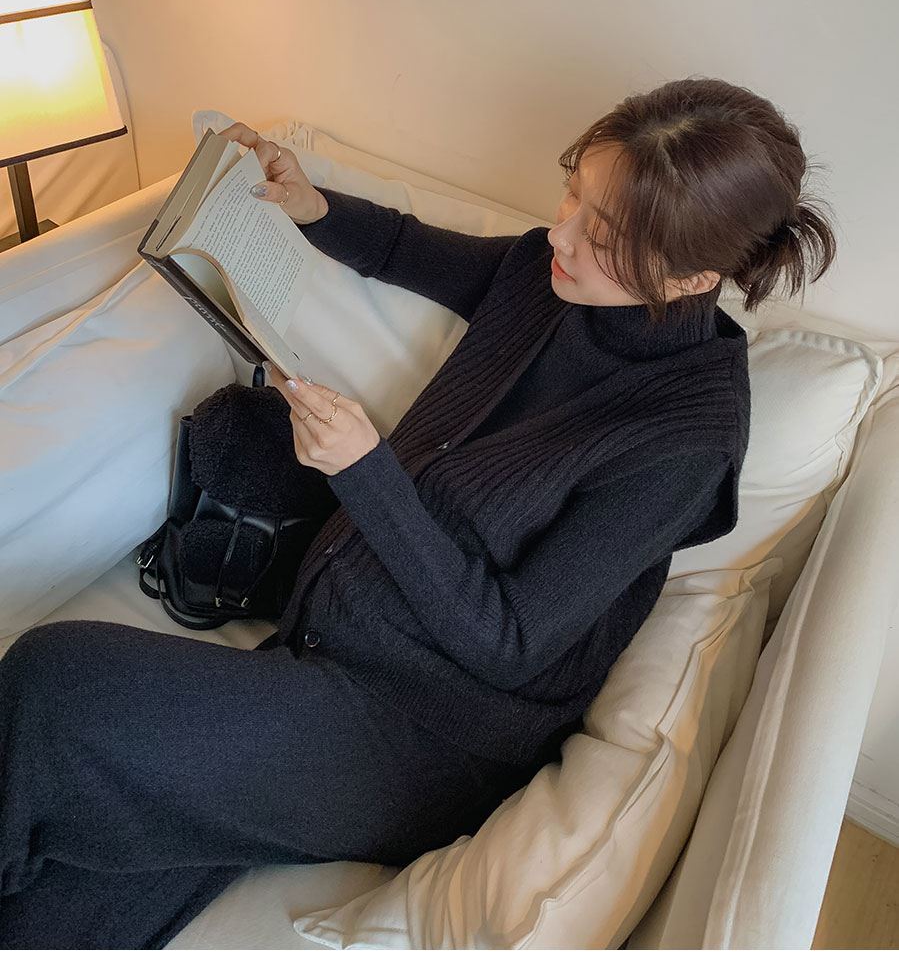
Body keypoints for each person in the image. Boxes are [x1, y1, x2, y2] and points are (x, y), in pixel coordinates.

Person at [0, 76, 837, 949]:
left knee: (57, 682)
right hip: (328, 641)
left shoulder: (684, 440)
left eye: (601, 235)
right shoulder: (548, 274)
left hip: (425, 736)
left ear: (692, 275)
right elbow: (405, 247)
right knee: (60, 893)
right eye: (573, 195)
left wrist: (365, 470)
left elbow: (510, 640)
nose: (561, 234)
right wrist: (312, 204)